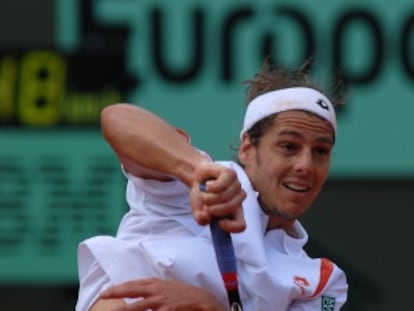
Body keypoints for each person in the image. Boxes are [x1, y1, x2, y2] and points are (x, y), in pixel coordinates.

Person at [75, 59, 349, 311]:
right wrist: (196, 171)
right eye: (288, 146)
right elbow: (117, 118)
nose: (305, 165)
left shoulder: (324, 285)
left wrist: (209, 306)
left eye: (320, 152)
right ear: (247, 149)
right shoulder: (195, 182)